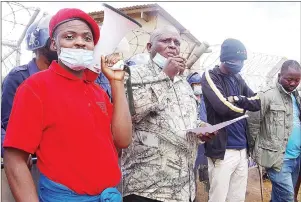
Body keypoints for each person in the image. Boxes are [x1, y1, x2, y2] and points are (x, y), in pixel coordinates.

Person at [3, 8, 132, 202]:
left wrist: (117, 83)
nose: (80, 41)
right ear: (54, 44)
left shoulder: (97, 90)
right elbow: (15, 159)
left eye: (87, 38)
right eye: (69, 36)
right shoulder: (35, 87)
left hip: (106, 195)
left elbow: (123, 140)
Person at [122, 25, 215, 202]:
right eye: (165, 41)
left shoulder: (183, 83)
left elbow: (186, 119)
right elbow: (130, 114)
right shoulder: (133, 75)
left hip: (183, 188)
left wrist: (202, 129)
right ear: (149, 47)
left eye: (176, 42)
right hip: (147, 189)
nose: (173, 46)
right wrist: (166, 76)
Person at [200, 38, 261, 202]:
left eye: (242, 60)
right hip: (223, 150)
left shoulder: (238, 78)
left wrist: (237, 98)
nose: (239, 63)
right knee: (218, 198)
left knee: (237, 198)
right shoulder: (211, 76)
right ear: (224, 58)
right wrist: (244, 106)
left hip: (242, 149)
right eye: (235, 59)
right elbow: (222, 107)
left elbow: (258, 102)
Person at [1, 15, 57, 157]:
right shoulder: (18, 77)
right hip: (30, 157)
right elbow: (8, 122)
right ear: (40, 45)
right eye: (53, 41)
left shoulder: (61, 78)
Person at [248, 60, 301, 202]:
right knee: (288, 197)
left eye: (297, 80)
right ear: (279, 76)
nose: (293, 83)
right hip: (277, 159)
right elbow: (252, 124)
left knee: (279, 196)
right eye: (289, 79)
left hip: (296, 157)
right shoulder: (266, 95)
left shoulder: (296, 97)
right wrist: (253, 150)